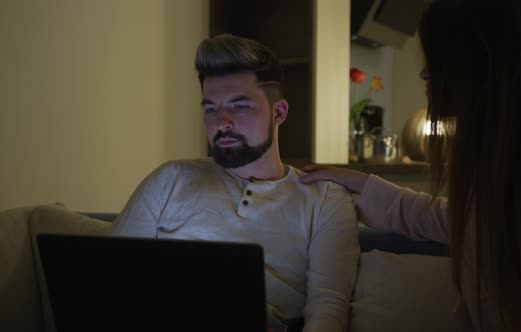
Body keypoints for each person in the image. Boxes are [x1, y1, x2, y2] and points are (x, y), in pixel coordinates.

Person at [300, 0, 521, 331]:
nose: (425, 73)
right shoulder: (506, 148)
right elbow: (459, 220)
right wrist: (364, 184)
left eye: (437, 58)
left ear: (480, 60)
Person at [112, 34, 360, 332]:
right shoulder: (170, 179)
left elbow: (328, 308)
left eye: (239, 106)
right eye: (211, 109)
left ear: (278, 112)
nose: (222, 121)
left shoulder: (325, 200)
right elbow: (108, 276)